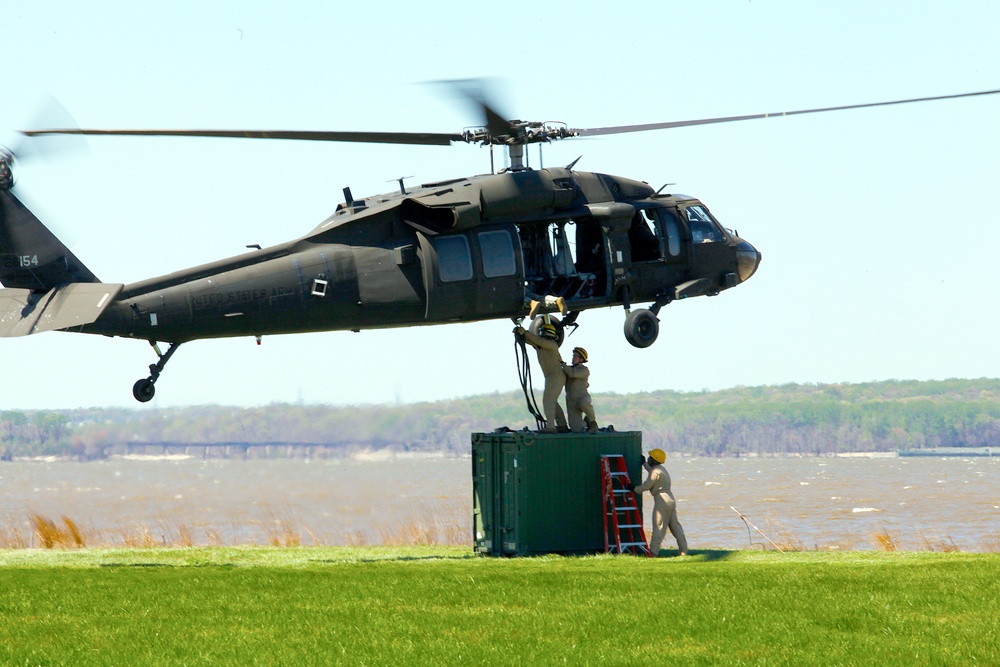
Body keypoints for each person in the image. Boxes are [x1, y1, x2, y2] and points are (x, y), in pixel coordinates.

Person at [514, 318, 568, 433]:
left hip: (556, 375)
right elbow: (533, 341)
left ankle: (550, 427)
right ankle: (562, 425)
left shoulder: (551, 345)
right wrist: (520, 334)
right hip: (551, 376)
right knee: (552, 401)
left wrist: (526, 332)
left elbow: (537, 340)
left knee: (548, 401)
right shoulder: (543, 346)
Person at [632, 448, 688, 556]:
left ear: (654, 460)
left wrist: (634, 488)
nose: (648, 458)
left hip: (661, 500)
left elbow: (647, 485)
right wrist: (644, 464)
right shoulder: (661, 469)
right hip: (670, 499)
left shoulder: (655, 471)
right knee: (675, 527)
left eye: (650, 457)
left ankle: (653, 552)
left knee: (658, 526)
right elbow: (653, 473)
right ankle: (683, 551)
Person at [562, 346, 598, 433]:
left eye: (575, 356)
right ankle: (586, 422)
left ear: (581, 359)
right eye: (573, 356)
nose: (573, 358)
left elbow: (572, 374)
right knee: (576, 430)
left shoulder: (584, 370)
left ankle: (592, 422)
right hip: (571, 402)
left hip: (582, 398)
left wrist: (563, 365)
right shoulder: (568, 369)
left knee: (584, 404)